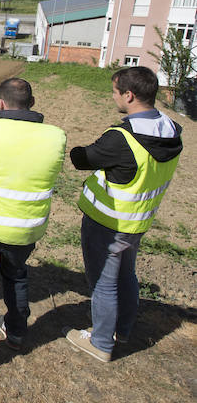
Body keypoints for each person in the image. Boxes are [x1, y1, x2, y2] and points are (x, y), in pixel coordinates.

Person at [65, 66, 182, 362]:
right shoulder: (170, 130)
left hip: (108, 222)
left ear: (128, 95)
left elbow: (82, 158)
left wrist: (86, 147)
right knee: (127, 275)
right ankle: (123, 329)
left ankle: (101, 342)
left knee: (103, 283)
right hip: (139, 221)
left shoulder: (122, 138)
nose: (113, 96)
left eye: (115, 91)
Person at [0, 78, 66, 368]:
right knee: (16, 274)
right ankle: (16, 331)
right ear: (32, 103)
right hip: (24, 226)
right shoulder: (56, 137)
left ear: (0, 103)